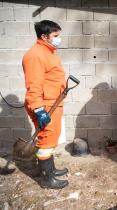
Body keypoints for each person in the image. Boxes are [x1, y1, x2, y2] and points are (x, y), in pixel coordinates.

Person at [22, 20, 68, 189]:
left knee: (52, 137)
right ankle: (47, 180)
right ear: (44, 36)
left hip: (53, 102)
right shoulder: (35, 55)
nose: (59, 39)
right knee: (46, 141)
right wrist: (39, 109)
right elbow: (33, 85)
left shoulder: (48, 52)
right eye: (56, 36)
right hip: (45, 105)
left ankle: (52, 170)